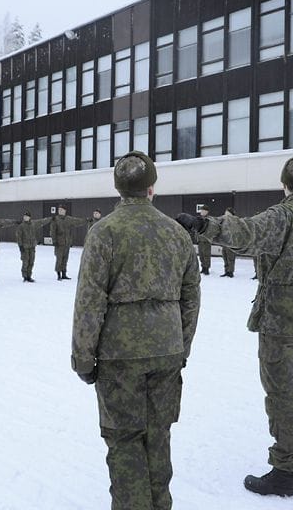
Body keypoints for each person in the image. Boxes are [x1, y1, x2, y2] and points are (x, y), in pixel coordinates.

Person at [180, 155, 293, 496]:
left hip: (282, 318)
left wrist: (204, 226)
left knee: (282, 393)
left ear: (284, 183)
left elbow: (247, 233)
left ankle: (284, 470)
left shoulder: (283, 215)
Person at [72, 151, 200, 510]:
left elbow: (89, 301)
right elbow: (191, 297)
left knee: (125, 439)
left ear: (118, 187)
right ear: (152, 188)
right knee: (158, 437)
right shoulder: (176, 233)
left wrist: (84, 357)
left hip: (119, 355)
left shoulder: (104, 232)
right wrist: (181, 345)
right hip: (166, 351)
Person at [50, 205, 87, 280]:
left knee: (65, 259)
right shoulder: (55, 219)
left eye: (62, 210)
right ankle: (58, 274)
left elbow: (77, 221)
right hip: (59, 243)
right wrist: (54, 241)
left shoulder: (68, 219)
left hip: (67, 243)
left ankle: (64, 274)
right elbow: (52, 231)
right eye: (59, 210)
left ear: (65, 211)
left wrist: (85, 220)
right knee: (59, 259)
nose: (60, 211)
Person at [16, 211, 51, 282]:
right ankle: (25, 276)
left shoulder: (33, 224)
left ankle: (29, 276)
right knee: (25, 262)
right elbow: (18, 237)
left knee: (31, 262)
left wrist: (50, 218)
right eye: (24, 216)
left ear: (30, 217)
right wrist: (20, 246)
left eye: (27, 216)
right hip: (25, 247)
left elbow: (42, 221)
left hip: (32, 246)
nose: (25, 217)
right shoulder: (21, 226)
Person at [220, 207, 237, 277]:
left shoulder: (235, 221)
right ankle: (226, 271)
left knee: (231, 258)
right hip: (224, 242)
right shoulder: (223, 221)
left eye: (227, 213)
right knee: (225, 257)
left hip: (231, 242)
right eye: (225, 213)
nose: (226, 214)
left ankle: (230, 271)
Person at [195, 205, 212, 275]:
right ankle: (203, 267)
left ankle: (207, 268)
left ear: (206, 212)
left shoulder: (209, 219)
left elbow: (211, 229)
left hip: (206, 240)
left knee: (206, 255)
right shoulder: (198, 219)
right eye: (201, 210)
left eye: (203, 210)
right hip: (200, 240)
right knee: (201, 255)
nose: (201, 212)